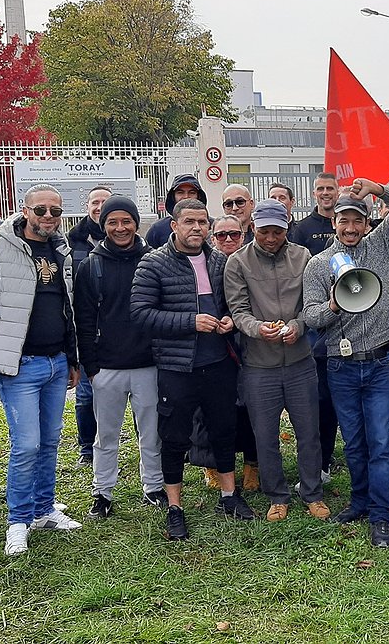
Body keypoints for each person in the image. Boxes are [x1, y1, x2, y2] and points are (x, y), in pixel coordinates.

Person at [0, 184, 84, 556]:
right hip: (19, 365)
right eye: (40, 210)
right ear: (25, 210)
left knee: (50, 441)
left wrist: (72, 358)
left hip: (55, 363)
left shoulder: (61, 249)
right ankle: (17, 522)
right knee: (27, 444)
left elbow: (68, 309)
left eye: (55, 211)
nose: (48, 217)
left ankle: (43, 509)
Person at [131, 198, 254, 540]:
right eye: (189, 222)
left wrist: (231, 319)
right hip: (176, 366)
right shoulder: (153, 264)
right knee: (174, 436)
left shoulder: (220, 262)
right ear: (174, 225)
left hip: (219, 362)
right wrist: (189, 321)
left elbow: (234, 302)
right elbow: (140, 313)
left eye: (202, 222)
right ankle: (175, 506)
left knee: (223, 429)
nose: (197, 228)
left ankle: (229, 495)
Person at [303, 178, 389, 548]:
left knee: (381, 443)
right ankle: (361, 500)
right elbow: (311, 315)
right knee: (353, 443)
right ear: (334, 223)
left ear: (366, 224)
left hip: (380, 362)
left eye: (357, 221)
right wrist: (335, 304)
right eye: (344, 221)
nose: (350, 228)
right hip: (341, 365)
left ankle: (381, 517)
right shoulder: (318, 265)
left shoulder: (379, 246)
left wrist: (375, 189)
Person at [225, 199, 329, 523]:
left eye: (278, 231)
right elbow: (238, 310)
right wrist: (258, 329)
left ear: (287, 228)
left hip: (300, 361)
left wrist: (298, 326)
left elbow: (313, 303)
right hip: (259, 365)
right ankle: (277, 495)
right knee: (265, 435)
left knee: (309, 431)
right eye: (265, 231)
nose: (271, 238)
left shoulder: (303, 257)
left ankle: (312, 492)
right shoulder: (237, 262)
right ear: (253, 227)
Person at [73, 196, 166, 518]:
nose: (120, 227)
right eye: (112, 222)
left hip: (148, 364)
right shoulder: (91, 266)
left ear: (136, 223)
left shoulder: (154, 260)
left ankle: (153, 487)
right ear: (104, 226)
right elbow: (83, 320)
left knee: (151, 432)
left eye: (126, 221)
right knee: (106, 435)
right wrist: (91, 367)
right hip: (107, 367)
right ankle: (102, 492)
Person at [289, 172, 342, 480]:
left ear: (337, 192)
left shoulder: (350, 228)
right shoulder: (301, 229)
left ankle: (331, 454)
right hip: (313, 330)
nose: (325, 193)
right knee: (318, 399)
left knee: (335, 401)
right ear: (313, 194)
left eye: (330, 189)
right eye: (320, 189)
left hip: (345, 325)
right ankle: (317, 458)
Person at [200, 214, 258, 491]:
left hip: (252, 343)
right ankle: (213, 465)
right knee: (213, 408)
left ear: (243, 235)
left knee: (250, 407)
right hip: (213, 344)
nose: (228, 240)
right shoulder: (205, 264)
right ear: (212, 238)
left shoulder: (253, 260)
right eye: (221, 235)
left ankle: (252, 465)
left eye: (234, 234)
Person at [67, 186, 110, 467]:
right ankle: (87, 447)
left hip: (118, 330)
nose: (99, 206)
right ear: (87, 206)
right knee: (85, 395)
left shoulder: (130, 239)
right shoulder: (72, 242)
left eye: (104, 202)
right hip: (85, 327)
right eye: (95, 202)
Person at [145, 174, 207, 249]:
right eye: (180, 192)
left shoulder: (213, 226)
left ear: (199, 196)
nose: (186, 197)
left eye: (192, 192)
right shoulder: (158, 229)